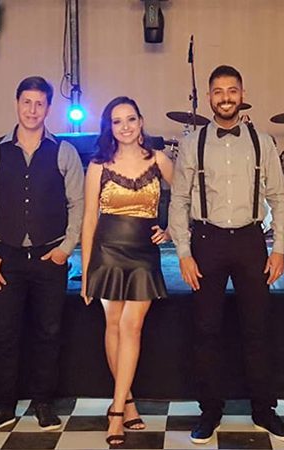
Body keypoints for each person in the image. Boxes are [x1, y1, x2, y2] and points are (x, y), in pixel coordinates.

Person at [169, 65, 284, 444]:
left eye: (232, 90)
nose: (225, 97)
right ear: (209, 97)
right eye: (219, 91)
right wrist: (183, 253)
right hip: (206, 241)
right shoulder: (192, 143)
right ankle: (210, 410)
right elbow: (179, 200)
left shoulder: (262, 141)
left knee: (258, 328)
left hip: (250, 241)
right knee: (206, 330)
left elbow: (281, 197)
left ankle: (264, 410)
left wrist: (279, 248)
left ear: (242, 95)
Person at [0, 76, 84, 435]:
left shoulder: (64, 151)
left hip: (50, 257)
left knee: (48, 332)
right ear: (17, 104)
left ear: (48, 108)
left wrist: (66, 249)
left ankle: (43, 403)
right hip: (5, 259)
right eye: (27, 102)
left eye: (39, 104)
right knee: (4, 333)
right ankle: (4, 406)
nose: (32, 110)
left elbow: (78, 204)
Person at [81, 96, 172, 446]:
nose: (125, 126)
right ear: (110, 127)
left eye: (130, 119)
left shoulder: (159, 160)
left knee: (132, 326)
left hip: (143, 254)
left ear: (141, 121)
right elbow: (89, 220)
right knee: (114, 325)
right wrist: (86, 273)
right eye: (117, 121)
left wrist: (171, 230)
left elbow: (187, 198)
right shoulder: (98, 165)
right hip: (107, 252)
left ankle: (116, 411)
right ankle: (127, 402)